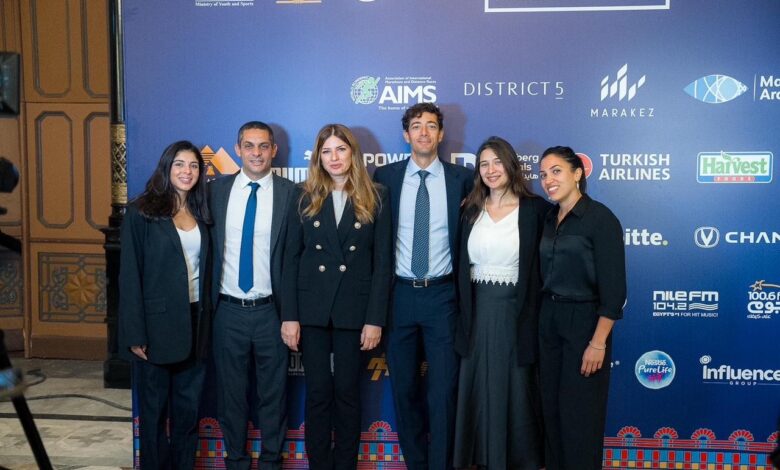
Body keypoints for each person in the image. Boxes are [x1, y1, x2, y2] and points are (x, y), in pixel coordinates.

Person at [280, 124, 392, 469]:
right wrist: (289, 316)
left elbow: (382, 263)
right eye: (326, 151)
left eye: (340, 149)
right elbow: (291, 259)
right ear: (318, 157)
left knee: (346, 393)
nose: (334, 158)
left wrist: (374, 319)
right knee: (317, 394)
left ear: (353, 153)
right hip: (312, 310)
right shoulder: (303, 195)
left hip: (354, 311)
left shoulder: (377, 195)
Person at [373, 103, 473, 470]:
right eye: (417, 126)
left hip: (442, 296)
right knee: (404, 391)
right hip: (399, 296)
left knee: (444, 392)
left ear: (441, 134)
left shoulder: (463, 179)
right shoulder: (385, 177)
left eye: (431, 125)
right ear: (406, 134)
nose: (424, 132)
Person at [453, 136, 549, 469]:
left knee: (516, 388)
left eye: (497, 162)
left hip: (517, 315)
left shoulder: (535, 209)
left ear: (511, 165)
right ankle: (481, 458)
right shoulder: (469, 210)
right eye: (484, 164)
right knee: (477, 387)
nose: (491, 170)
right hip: (475, 314)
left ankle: (516, 459)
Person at [119, 140, 212, 469]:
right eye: (180, 164)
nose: (187, 171)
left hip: (196, 324)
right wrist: (134, 333)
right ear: (166, 167)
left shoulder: (203, 211)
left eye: (194, 166)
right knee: (154, 416)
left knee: (188, 415)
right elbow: (130, 275)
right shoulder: (141, 211)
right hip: (155, 328)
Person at [208, 121, 295, 470]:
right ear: (238, 149)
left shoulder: (292, 194)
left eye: (263, 146)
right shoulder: (215, 191)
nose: (256, 153)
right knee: (231, 396)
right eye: (249, 145)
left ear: (274, 150)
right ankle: (237, 461)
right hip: (227, 310)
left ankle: (271, 462)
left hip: (272, 311)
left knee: (274, 395)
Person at [537, 146, 626, 470]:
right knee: (551, 412)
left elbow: (614, 291)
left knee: (580, 417)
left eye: (556, 171)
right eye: (543, 174)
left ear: (577, 173)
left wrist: (598, 342)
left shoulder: (601, 219)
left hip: (585, 324)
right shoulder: (548, 218)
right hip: (549, 320)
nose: (548, 180)